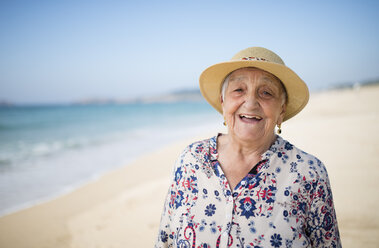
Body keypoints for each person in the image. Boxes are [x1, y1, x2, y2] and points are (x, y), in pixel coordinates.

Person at [155, 47, 341, 248]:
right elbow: (164, 242)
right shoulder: (190, 161)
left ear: (282, 109)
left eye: (266, 92)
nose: (251, 103)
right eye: (238, 90)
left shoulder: (309, 173)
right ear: (223, 101)